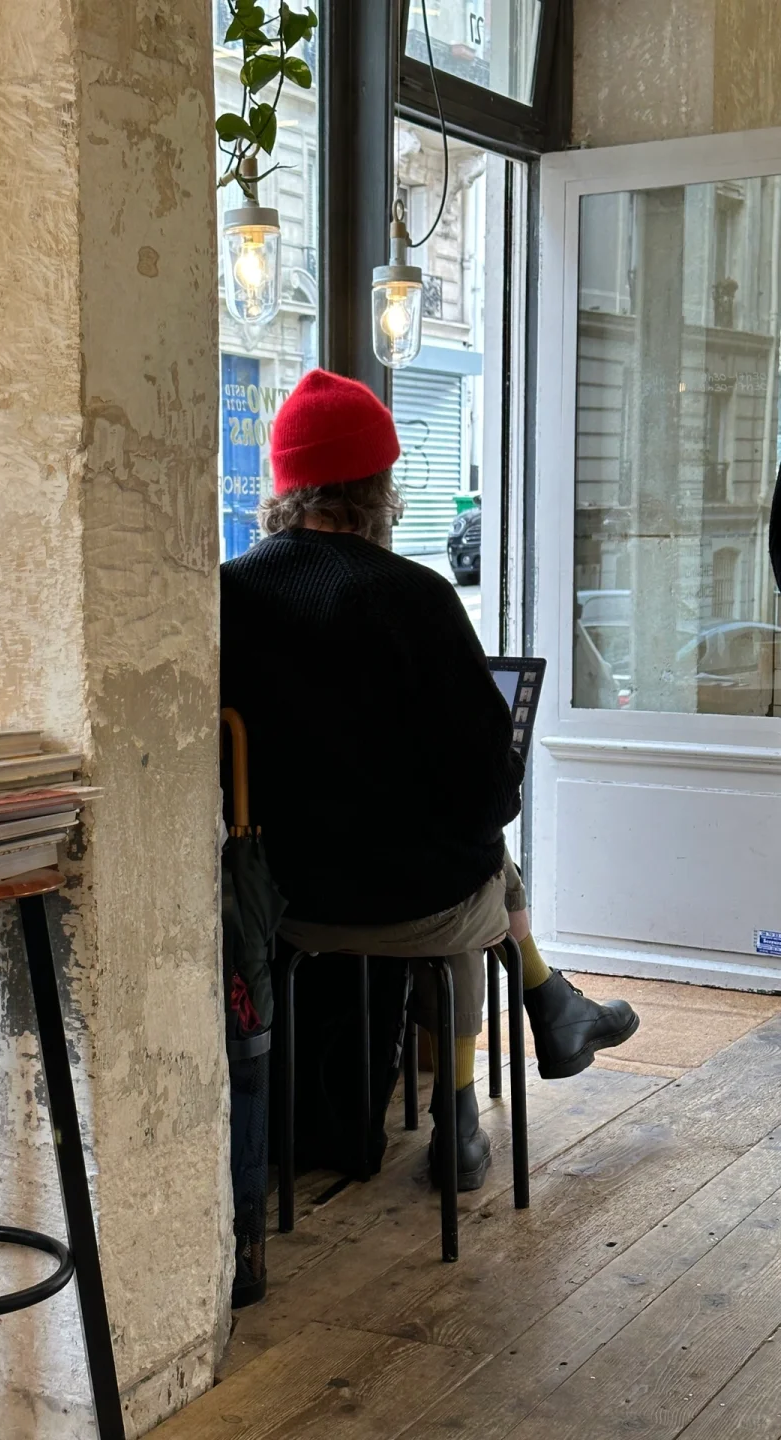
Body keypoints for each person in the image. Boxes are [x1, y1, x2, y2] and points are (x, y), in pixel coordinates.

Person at [220, 369, 639, 1193]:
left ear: (284, 484)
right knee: (482, 864)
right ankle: (468, 1110)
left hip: (289, 909)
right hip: (420, 906)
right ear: (377, 485)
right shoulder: (416, 598)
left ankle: (553, 1011)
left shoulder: (228, 594)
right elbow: (487, 788)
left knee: (473, 862)